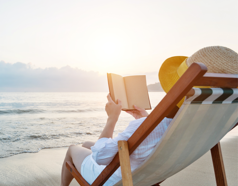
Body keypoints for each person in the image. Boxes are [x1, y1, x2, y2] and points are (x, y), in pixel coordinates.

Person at [60, 46, 238, 186]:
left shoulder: (157, 127)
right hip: (149, 175)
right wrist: (144, 119)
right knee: (86, 145)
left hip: (118, 179)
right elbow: (158, 137)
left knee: (73, 149)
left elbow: (100, 157)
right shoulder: (204, 126)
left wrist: (111, 118)